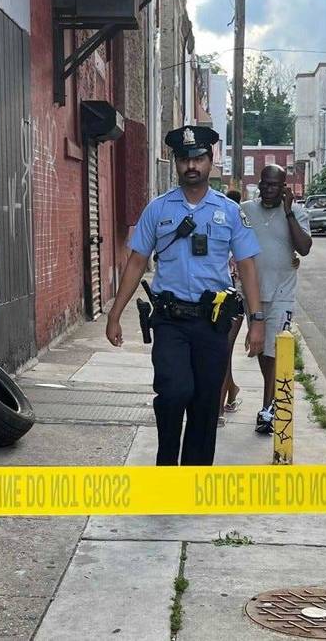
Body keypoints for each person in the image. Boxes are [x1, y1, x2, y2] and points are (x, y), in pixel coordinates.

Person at [104, 125, 266, 465]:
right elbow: (136, 263)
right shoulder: (158, 210)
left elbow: (248, 266)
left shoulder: (230, 212)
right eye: (184, 159)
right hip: (170, 320)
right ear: (176, 164)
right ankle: (167, 466)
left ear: (210, 160)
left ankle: (194, 478)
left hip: (212, 323)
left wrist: (257, 320)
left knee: (206, 402)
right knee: (174, 392)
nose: (191, 166)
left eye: (198, 158)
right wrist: (114, 314)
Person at [239, 164, 312, 433]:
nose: (269, 189)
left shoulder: (297, 213)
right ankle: (270, 401)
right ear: (259, 184)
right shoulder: (246, 210)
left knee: (274, 349)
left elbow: (303, 248)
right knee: (261, 349)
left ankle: (268, 408)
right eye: (265, 184)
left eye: (275, 185)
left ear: (284, 188)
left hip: (282, 292)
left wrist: (290, 212)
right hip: (254, 293)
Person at [218, 189, 245, 428]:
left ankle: (217, 408)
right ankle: (232, 389)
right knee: (220, 351)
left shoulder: (241, 225)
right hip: (218, 298)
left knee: (224, 350)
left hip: (237, 298)